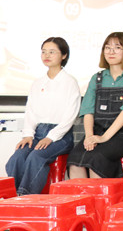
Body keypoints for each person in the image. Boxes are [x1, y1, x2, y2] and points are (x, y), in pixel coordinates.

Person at [6, 37, 80, 195]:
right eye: (44, 52)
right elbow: (31, 111)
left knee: (36, 157)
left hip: (60, 136)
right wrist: (28, 134)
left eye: (52, 52)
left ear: (64, 55)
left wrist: (51, 137)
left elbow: (70, 116)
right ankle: (12, 196)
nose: (47, 55)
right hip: (37, 133)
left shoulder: (70, 82)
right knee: (17, 158)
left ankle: (25, 196)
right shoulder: (37, 83)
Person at [67, 32, 123, 178]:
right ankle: (84, 194)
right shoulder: (96, 78)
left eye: (117, 47)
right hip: (98, 130)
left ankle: (101, 194)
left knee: (96, 158)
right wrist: (89, 136)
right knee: (75, 160)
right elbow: (88, 110)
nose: (111, 51)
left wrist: (104, 138)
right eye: (107, 48)